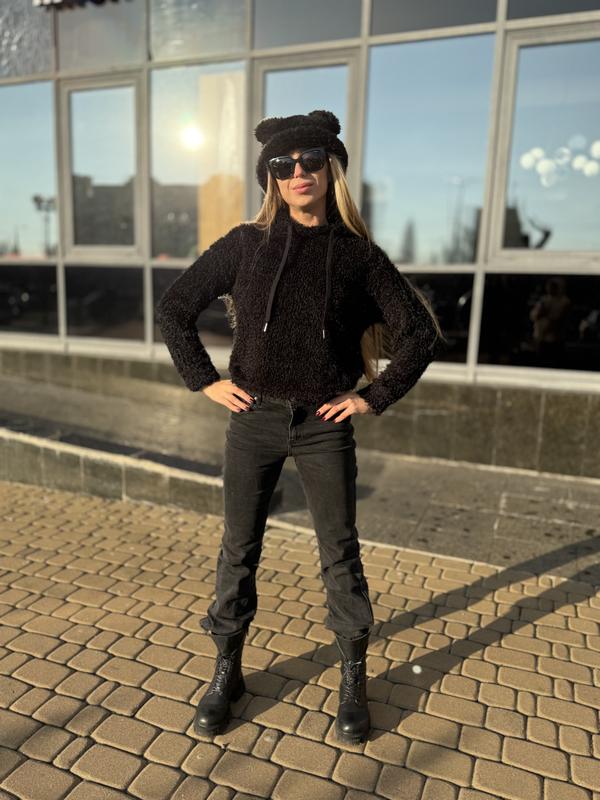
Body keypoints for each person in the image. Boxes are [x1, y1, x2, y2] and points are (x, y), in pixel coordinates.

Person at [155, 109, 444, 744]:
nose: (297, 173)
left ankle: (353, 679)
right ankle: (226, 671)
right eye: (283, 165)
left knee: (340, 552)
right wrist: (204, 380)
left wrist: (374, 397)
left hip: (322, 425)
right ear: (271, 177)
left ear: (330, 167)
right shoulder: (245, 245)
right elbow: (174, 308)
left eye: (311, 160)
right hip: (252, 420)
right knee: (239, 548)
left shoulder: (358, 256)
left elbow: (421, 334)